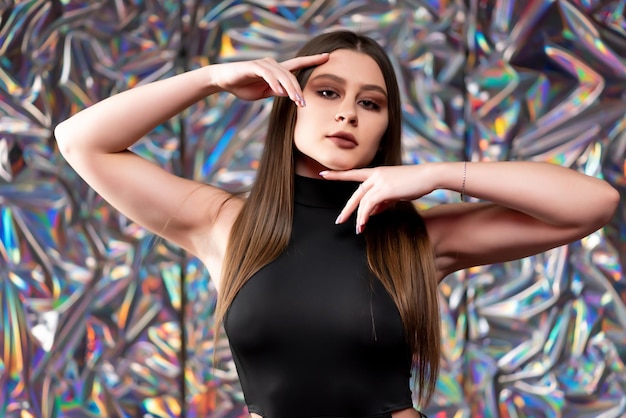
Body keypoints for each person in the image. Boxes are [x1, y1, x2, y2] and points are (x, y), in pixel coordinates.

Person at [54, 30, 619, 418]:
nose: (348, 112)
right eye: (327, 93)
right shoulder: (224, 224)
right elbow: (80, 141)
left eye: (370, 104)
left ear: (383, 128)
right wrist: (211, 80)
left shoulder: (420, 237)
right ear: (289, 101)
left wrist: (440, 173)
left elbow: (591, 203)